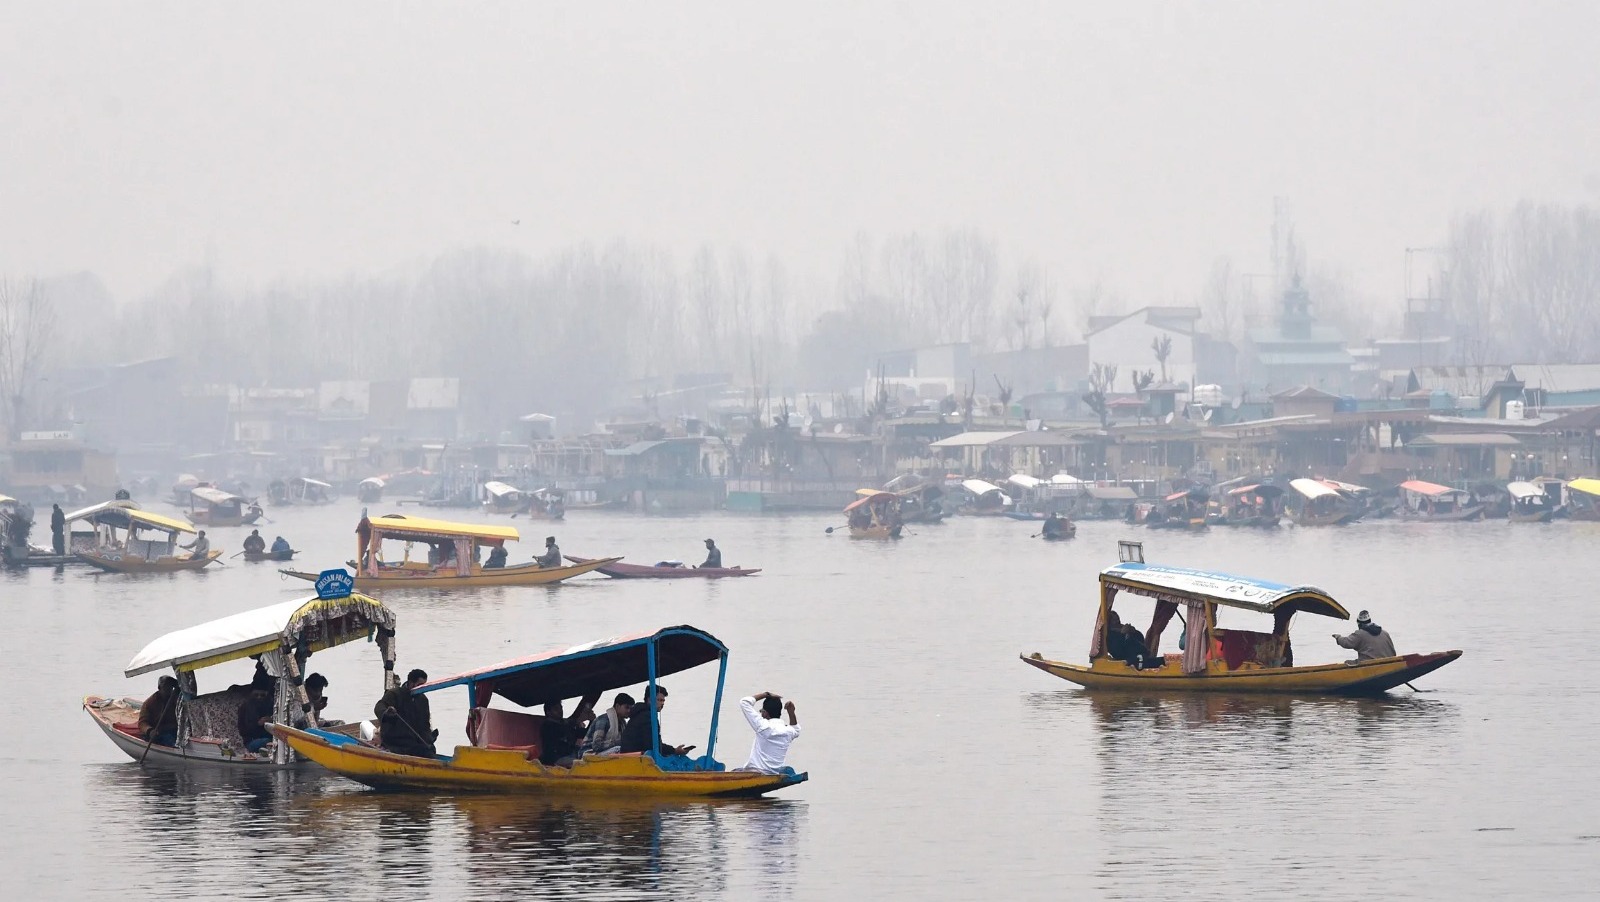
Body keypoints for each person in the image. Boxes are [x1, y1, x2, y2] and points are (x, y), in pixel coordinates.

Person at [374, 669, 437, 757]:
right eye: (420, 685)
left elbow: (425, 725)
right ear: (411, 683)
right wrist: (387, 713)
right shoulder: (394, 694)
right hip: (394, 741)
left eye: (424, 685)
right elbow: (379, 707)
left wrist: (429, 740)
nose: (422, 688)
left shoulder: (423, 700)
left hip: (413, 742)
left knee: (429, 751)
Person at [619, 686, 695, 758]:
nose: (662, 703)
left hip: (631, 757)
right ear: (649, 700)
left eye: (663, 701)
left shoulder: (640, 714)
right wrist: (674, 750)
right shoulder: (647, 716)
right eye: (659, 700)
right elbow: (653, 745)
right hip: (635, 759)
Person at [738, 691, 800, 774]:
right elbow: (796, 729)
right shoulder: (788, 731)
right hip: (774, 773)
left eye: (761, 711)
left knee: (734, 771)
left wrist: (765, 694)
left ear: (765, 713)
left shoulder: (763, 726)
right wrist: (791, 712)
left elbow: (744, 702)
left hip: (756, 772)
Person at [538, 693, 599, 766]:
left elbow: (584, 734)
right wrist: (577, 721)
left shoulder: (565, 723)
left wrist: (591, 721)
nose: (560, 711)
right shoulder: (547, 726)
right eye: (556, 709)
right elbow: (561, 732)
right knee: (583, 765)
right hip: (555, 759)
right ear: (548, 712)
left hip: (571, 754)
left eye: (560, 708)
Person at [138, 675, 181, 746]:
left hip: (174, 730)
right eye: (165, 687)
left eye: (170, 687)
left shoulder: (175, 698)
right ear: (159, 688)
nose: (168, 689)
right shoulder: (150, 703)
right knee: (169, 740)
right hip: (158, 732)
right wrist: (150, 731)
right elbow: (142, 723)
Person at [237, 687, 274, 753]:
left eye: (262, 695)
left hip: (270, 737)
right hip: (251, 741)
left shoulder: (270, 707)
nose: (259, 697)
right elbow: (242, 731)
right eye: (256, 695)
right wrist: (258, 724)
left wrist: (272, 720)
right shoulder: (245, 707)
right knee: (269, 742)